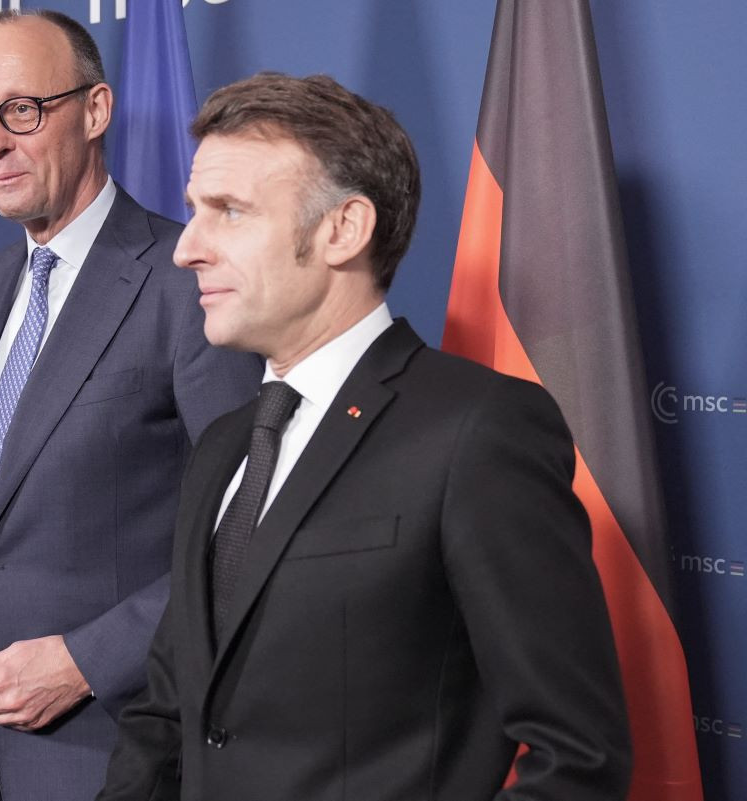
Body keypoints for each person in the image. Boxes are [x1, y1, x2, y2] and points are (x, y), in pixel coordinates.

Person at [98, 73, 632, 801]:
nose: (185, 247)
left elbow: (580, 755)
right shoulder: (224, 446)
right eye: (194, 211)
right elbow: (167, 713)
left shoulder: (477, 429)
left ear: (343, 229)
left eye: (228, 211)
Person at [0, 10, 261, 801]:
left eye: (20, 111)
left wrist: (87, 661)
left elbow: (248, 529)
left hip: (120, 751)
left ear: (95, 110)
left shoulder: (188, 283)